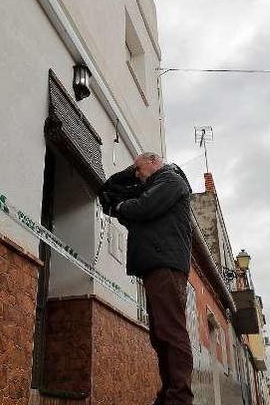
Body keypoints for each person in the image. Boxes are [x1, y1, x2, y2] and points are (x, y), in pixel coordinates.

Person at [101, 152, 194, 405]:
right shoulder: (152, 185)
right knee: (160, 334)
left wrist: (120, 207)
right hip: (155, 266)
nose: (138, 176)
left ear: (154, 162)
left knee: (171, 333)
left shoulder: (171, 180)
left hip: (166, 266)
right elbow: (108, 189)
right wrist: (132, 171)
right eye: (136, 173)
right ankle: (169, 395)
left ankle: (179, 398)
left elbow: (143, 207)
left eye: (140, 170)